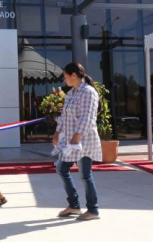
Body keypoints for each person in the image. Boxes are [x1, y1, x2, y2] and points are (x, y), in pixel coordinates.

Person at [53, 62, 102, 221]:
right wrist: (57, 131)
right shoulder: (71, 93)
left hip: (84, 140)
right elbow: (64, 116)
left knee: (85, 175)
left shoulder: (88, 92)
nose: (64, 79)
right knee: (61, 168)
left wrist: (76, 136)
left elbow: (87, 117)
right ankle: (74, 205)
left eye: (66, 76)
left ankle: (93, 210)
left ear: (74, 75)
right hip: (70, 140)